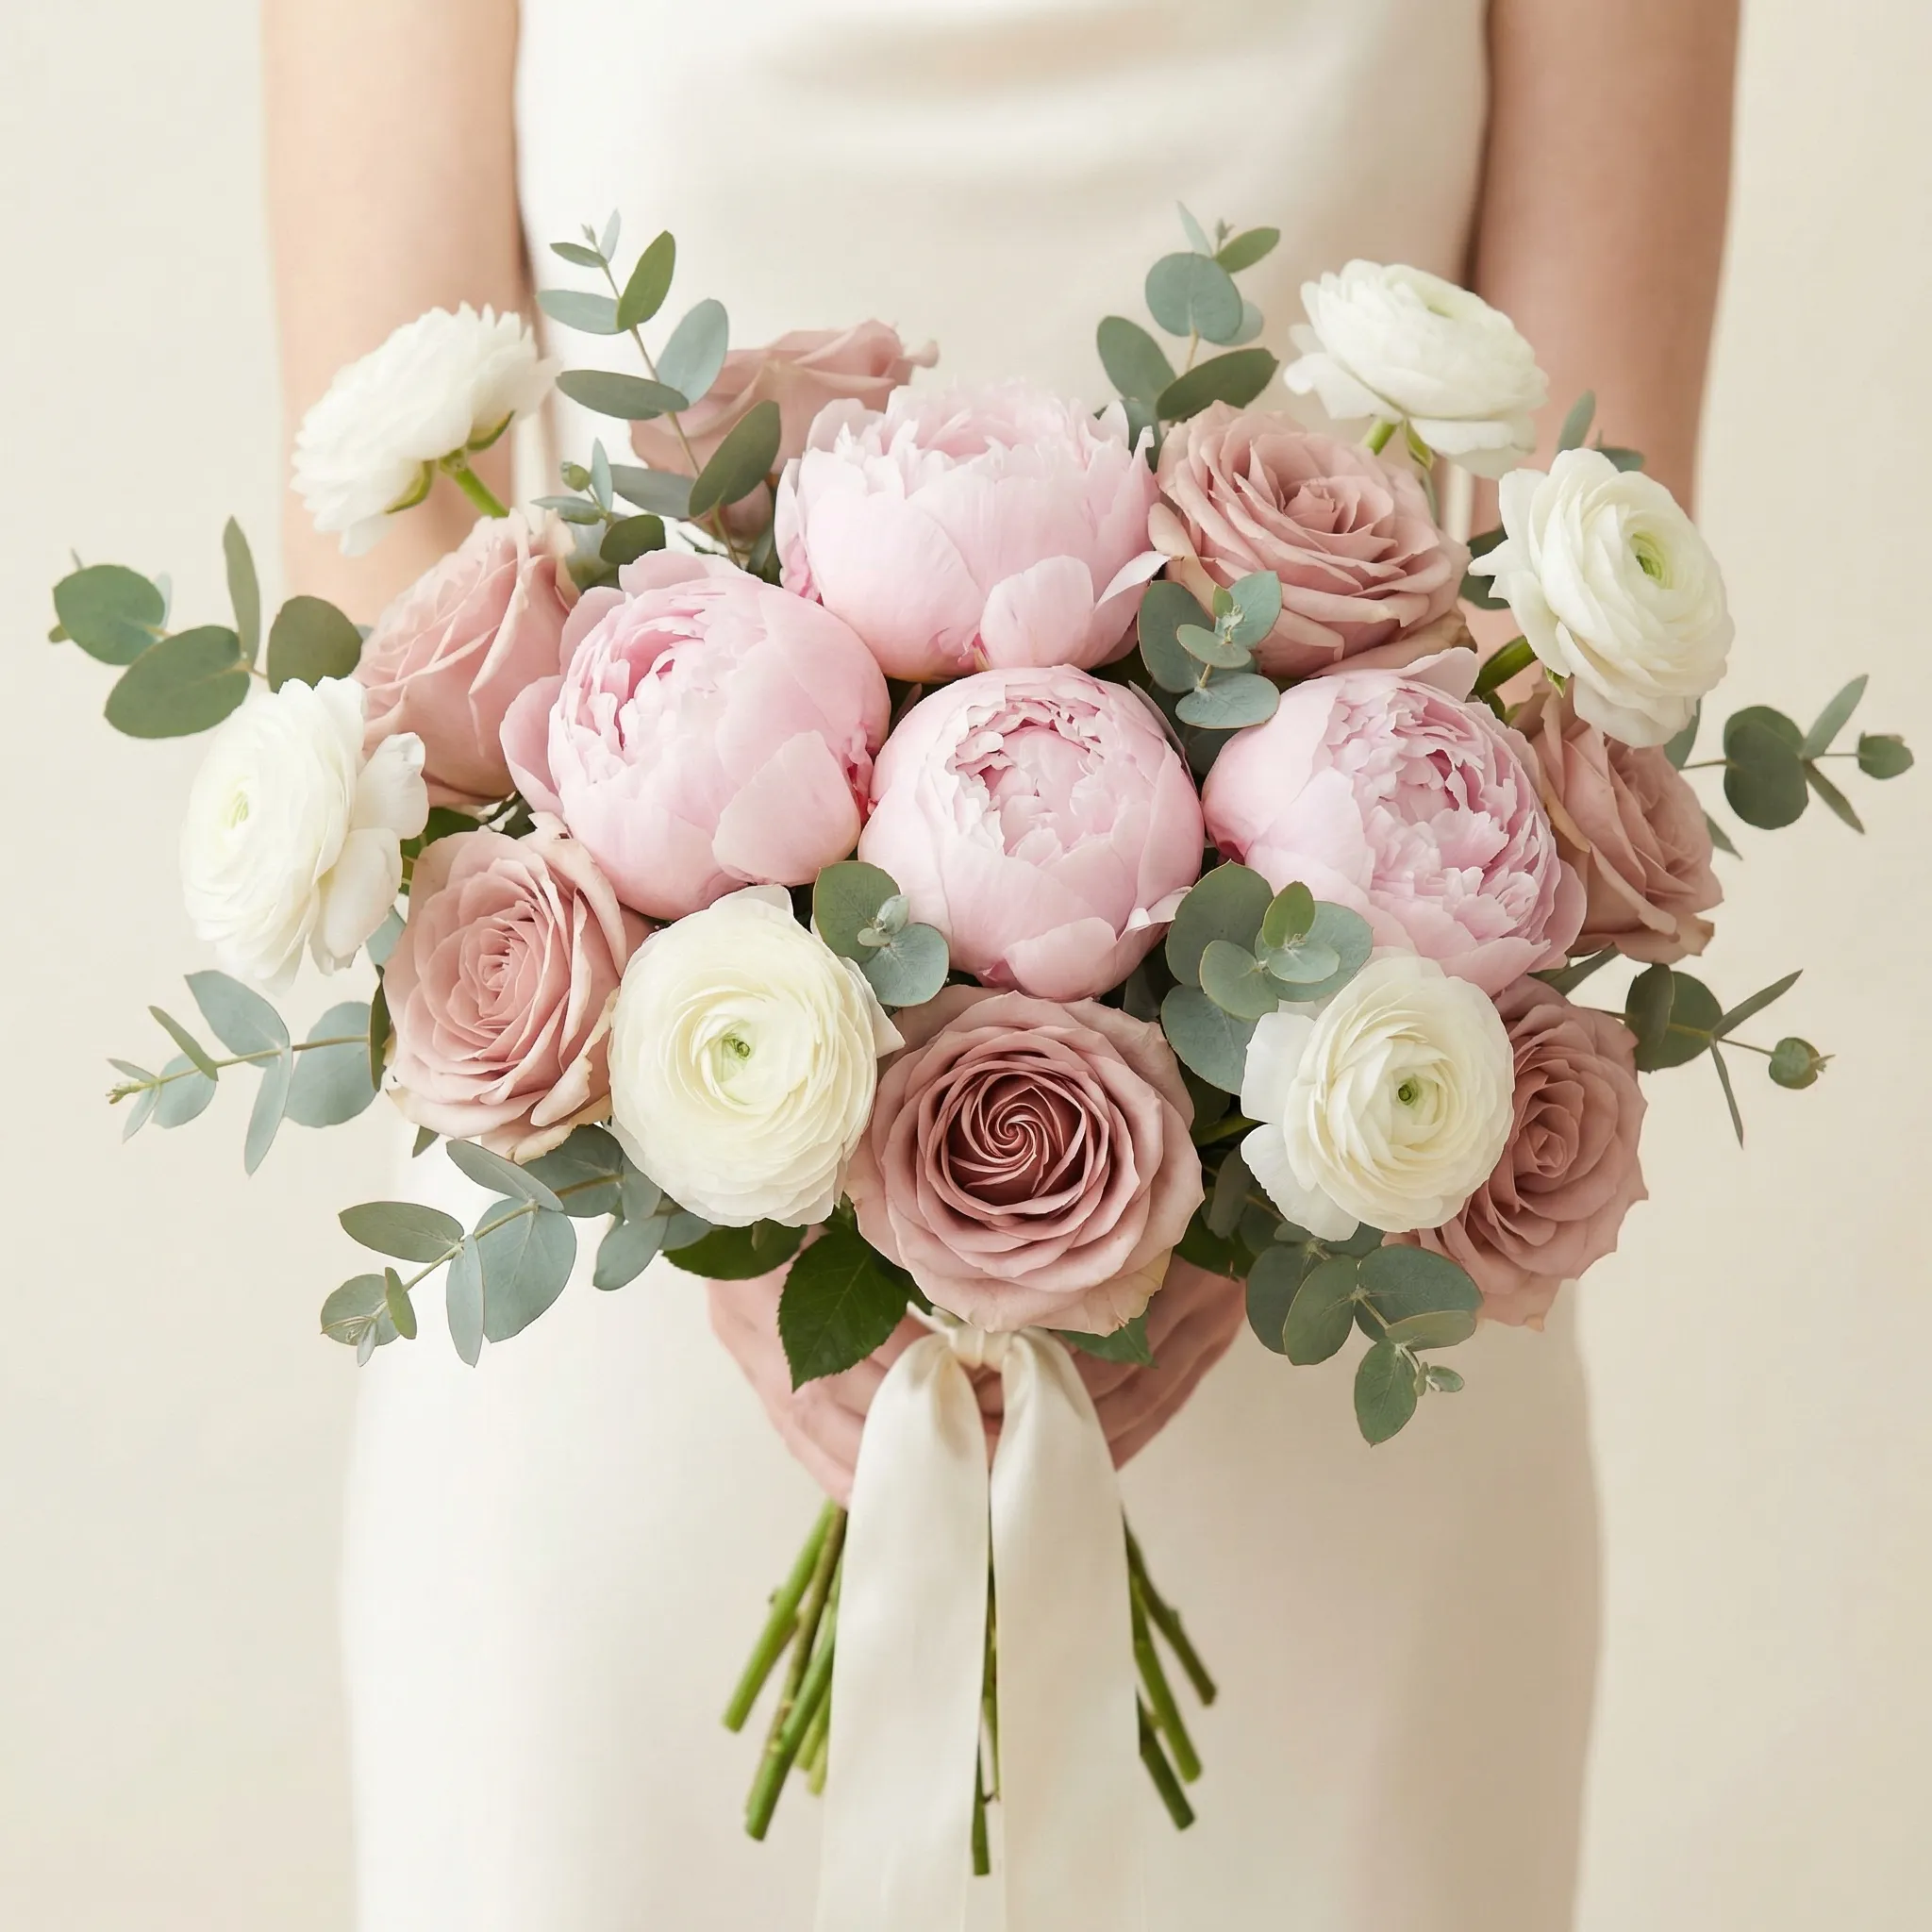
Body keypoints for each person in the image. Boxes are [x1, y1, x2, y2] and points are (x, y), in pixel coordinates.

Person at [264, 4, 1738, 1925]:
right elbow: (389, 632)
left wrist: (1210, 1194)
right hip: (646, 1270)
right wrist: (750, 1169)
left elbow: (1590, 612)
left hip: (1336, 1244)